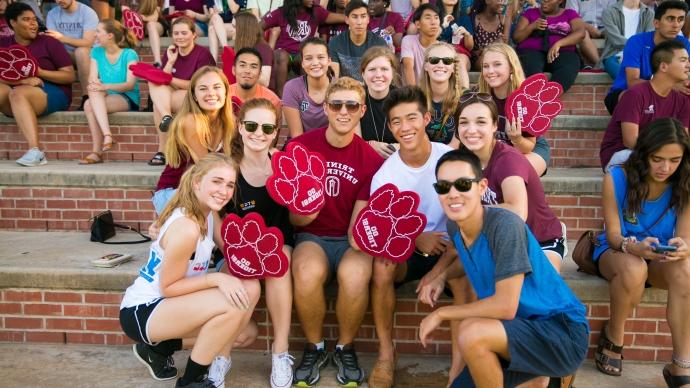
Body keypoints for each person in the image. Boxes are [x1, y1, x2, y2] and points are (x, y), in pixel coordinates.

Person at [418, 148, 588, 388]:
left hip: (559, 332)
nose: (453, 194)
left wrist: (440, 314)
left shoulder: (505, 225)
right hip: (515, 330)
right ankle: (543, 379)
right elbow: (470, 261)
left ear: (482, 187)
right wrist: (441, 277)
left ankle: (549, 374)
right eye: (443, 187)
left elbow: (505, 306)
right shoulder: (457, 227)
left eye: (463, 184)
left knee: (472, 331)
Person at [120, 153, 260, 387]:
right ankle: (192, 380)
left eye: (229, 185)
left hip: (170, 302)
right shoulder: (187, 227)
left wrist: (267, 258)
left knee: (246, 332)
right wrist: (216, 278)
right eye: (216, 182)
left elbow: (234, 250)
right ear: (197, 182)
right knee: (232, 304)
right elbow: (169, 287)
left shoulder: (210, 213)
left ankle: (158, 350)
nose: (224, 191)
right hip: (144, 309)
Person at [289, 77, 384, 387]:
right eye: (337, 104)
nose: (344, 111)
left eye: (352, 105)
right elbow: (293, 220)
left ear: (362, 111)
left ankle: (345, 346)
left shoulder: (370, 160)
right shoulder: (300, 147)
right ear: (325, 108)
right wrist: (307, 213)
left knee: (356, 275)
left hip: (348, 238)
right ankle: (315, 346)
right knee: (305, 270)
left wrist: (358, 242)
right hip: (311, 235)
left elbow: (359, 226)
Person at [367, 86, 456, 388]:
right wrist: (417, 237)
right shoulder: (385, 175)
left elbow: (468, 221)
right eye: (396, 121)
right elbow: (383, 229)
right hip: (408, 247)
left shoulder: (449, 160)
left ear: (427, 118)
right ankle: (385, 355)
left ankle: (463, 360)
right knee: (381, 264)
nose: (404, 128)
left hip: (451, 248)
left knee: (470, 269)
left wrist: (436, 272)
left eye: (411, 118)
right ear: (390, 127)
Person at [592, 117, 690, 385]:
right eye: (658, 158)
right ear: (644, 152)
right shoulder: (617, 177)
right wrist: (633, 246)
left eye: (675, 160)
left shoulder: (685, 182)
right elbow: (613, 235)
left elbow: (685, 236)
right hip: (619, 252)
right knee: (635, 267)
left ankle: (681, 364)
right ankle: (614, 336)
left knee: (685, 269)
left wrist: (683, 247)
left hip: (658, 256)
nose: (665, 167)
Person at [208, 99, 295, 388]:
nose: (259, 133)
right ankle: (221, 356)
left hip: (279, 245)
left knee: (278, 264)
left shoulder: (285, 165)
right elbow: (214, 217)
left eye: (267, 127)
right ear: (241, 128)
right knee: (249, 284)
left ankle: (280, 352)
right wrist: (236, 255)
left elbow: (297, 214)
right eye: (252, 125)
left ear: (275, 132)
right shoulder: (228, 169)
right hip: (236, 249)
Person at [454, 93, 566, 271]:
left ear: (494, 126)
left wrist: (469, 209)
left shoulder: (507, 158)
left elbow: (517, 211)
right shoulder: (464, 162)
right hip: (501, 240)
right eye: (464, 122)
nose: (471, 129)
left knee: (538, 293)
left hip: (539, 239)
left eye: (481, 122)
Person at [0, 2, 75, 167]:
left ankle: (36, 152)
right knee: (13, 91)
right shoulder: (3, 43)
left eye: (34, 19)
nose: (33, 24)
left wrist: (39, 72)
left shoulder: (49, 42)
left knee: (18, 93)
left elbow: (69, 76)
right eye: (27, 20)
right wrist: (21, 80)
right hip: (18, 90)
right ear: (12, 22)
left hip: (53, 91)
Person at [152, 66, 234, 214]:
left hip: (205, 191)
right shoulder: (190, 121)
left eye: (217, 87)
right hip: (174, 193)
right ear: (195, 95)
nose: (211, 93)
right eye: (203, 89)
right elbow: (207, 169)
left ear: (226, 91)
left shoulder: (228, 122)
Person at [600, 40, 690, 171]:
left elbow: (683, 140)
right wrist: (663, 156)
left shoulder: (683, 100)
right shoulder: (635, 94)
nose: (688, 65)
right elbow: (630, 141)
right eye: (683, 60)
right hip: (624, 153)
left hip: (663, 157)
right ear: (663, 66)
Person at [147, 17, 216, 166]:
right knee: (153, 83)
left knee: (158, 103)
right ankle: (166, 116)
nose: (179, 37)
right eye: (176, 33)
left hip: (196, 97)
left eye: (184, 33)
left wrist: (170, 80)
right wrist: (170, 61)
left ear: (194, 35)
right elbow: (160, 79)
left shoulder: (203, 55)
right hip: (173, 94)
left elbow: (200, 85)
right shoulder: (171, 52)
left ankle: (163, 151)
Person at [604, 0, 690, 114]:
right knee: (635, 95)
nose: (676, 25)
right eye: (670, 18)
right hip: (626, 93)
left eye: (680, 19)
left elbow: (685, 79)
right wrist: (671, 85)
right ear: (656, 23)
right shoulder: (636, 42)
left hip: (664, 95)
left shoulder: (684, 44)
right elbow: (632, 82)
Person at [478, 42, 551, 176]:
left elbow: (528, 145)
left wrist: (516, 138)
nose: (490, 71)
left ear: (511, 67)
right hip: (499, 151)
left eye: (497, 64)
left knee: (511, 172)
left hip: (530, 149)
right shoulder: (480, 98)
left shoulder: (525, 99)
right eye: (485, 66)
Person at [79, 19, 140, 165]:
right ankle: (107, 136)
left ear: (110, 36)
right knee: (90, 97)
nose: (95, 34)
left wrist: (104, 86)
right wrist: (96, 84)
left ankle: (97, 152)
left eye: (98, 31)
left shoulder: (129, 54)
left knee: (89, 104)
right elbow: (92, 78)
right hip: (104, 95)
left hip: (126, 97)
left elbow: (130, 84)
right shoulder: (96, 52)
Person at [261, 0, 346, 96]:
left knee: (306, 57)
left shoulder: (316, 11)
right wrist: (265, 47)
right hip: (284, 53)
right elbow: (258, 27)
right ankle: (281, 98)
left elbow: (341, 18)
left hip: (302, 53)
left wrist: (354, 18)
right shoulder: (282, 12)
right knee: (280, 55)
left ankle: (304, 97)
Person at [513, 0, 586, 93]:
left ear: (560, 1)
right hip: (531, 52)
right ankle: (534, 96)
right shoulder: (530, 13)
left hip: (562, 52)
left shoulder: (569, 13)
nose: (545, 1)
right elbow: (517, 38)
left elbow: (581, 33)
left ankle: (548, 97)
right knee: (531, 67)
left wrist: (558, 44)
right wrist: (532, 26)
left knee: (568, 67)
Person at [45, 0, 98, 110]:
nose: (59, 1)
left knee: (81, 51)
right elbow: (52, 41)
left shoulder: (88, 12)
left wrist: (62, 38)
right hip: (65, 55)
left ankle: (87, 97)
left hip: (90, 55)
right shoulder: (52, 14)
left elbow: (88, 42)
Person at [420, 42, 466, 146]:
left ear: (453, 68)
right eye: (434, 60)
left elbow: (456, 143)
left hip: (456, 157)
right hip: (425, 156)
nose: (440, 65)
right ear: (426, 66)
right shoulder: (415, 97)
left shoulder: (465, 98)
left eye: (447, 61)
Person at [282, 38, 330, 138]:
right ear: (303, 63)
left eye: (321, 57)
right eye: (308, 58)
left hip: (332, 146)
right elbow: (297, 136)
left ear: (329, 61)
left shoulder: (339, 88)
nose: (315, 63)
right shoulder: (292, 88)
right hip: (301, 146)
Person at [328, 0, 388, 81]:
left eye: (363, 16)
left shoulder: (379, 44)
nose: (359, 22)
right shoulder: (335, 43)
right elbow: (334, 78)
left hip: (372, 89)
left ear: (368, 19)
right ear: (347, 19)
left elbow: (383, 75)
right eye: (354, 17)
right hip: (345, 90)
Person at [359, 46, 399, 159]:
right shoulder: (356, 99)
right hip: (365, 159)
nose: (378, 75)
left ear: (392, 73)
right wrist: (370, 145)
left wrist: (400, 147)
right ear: (363, 73)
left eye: (384, 69)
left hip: (397, 160)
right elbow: (352, 142)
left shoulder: (404, 99)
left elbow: (416, 139)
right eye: (372, 69)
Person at [600, 0, 655, 80]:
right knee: (626, 80)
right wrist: (633, 49)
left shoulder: (649, 14)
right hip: (614, 56)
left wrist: (633, 53)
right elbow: (615, 40)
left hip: (640, 56)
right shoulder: (609, 12)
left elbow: (647, 39)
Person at [228, 47, 281, 115]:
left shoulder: (271, 100)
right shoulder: (223, 95)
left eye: (253, 67)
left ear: (260, 73)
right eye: (242, 65)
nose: (247, 71)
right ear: (234, 70)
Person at [566, 0, 616, 67]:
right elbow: (570, 19)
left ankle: (614, 61)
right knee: (582, 33)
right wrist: (588, 28)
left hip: (605, 27)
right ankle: (600, 64)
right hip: (582, 26)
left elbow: (613, 19)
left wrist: (605, 31)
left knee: (615, 32)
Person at [401, 4, 441, 86]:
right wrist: (415, 95)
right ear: (418, 24)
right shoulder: (408, 40)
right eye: (428, 18)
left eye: (436, 18)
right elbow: (408, 67)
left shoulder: (442, 48)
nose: (433, 22)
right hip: (414, 93)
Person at [455, 0, 504, 66]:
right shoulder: (474, 19)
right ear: (487, 1)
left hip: (498, 57)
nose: (503, 2)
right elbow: (468, 46)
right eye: (499, 0)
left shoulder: (503, 20)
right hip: (478, 60)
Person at [231, 11, 273, 88]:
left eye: (234, 27)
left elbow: (265, 81)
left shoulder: (263, 48)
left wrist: (241, 72)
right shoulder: (239, 45)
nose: (231, 30)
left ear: (243, 29)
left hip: (259, 95)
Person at [137, 0, 168, 67]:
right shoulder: (129, 2)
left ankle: (157, 61)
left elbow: (154, 18)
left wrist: (141, 17)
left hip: (156, 25)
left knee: (150, 24)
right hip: (140, 27)